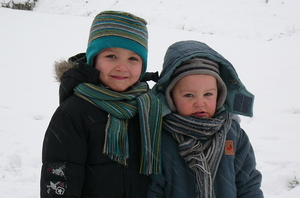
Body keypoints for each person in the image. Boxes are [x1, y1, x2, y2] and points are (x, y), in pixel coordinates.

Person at [40, 10, 164, 198]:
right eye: (111, 56)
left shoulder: (148, 108)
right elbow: (60, 181)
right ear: (94, 59)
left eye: (133, 58)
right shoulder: (74, 113)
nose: (122, 67)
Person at [148, 40, 263, 198]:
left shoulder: (233, 134)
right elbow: (152, 187)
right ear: (170, 97)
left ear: (220, 94)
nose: (200, 103)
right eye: (189, 95)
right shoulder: (159, 138)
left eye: (208, 94)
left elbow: (248, 184)